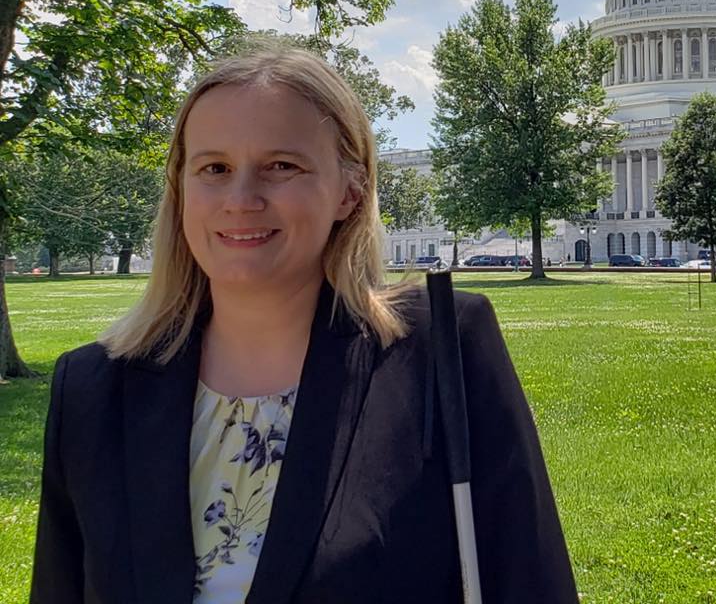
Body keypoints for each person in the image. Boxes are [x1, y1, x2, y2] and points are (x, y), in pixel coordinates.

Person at [30, 48, 578, 604]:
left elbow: (529, 580)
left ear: (350, 190)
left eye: (281, 166)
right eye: (214, 168)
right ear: (181, 188)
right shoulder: (93, 387)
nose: (242, 200)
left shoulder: (442, 349)